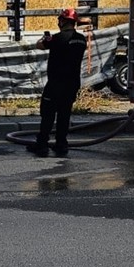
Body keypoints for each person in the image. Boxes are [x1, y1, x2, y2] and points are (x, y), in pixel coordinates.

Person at [28, 8, 88, 157]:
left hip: (56, 83)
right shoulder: (81, 40)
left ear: (62, 21)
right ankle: (61, 144)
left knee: (48, 113)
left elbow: (39, 45)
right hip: (73, 83)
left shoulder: (56, 38)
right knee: (64, 114)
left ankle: (42, 145)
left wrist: (45, 38)